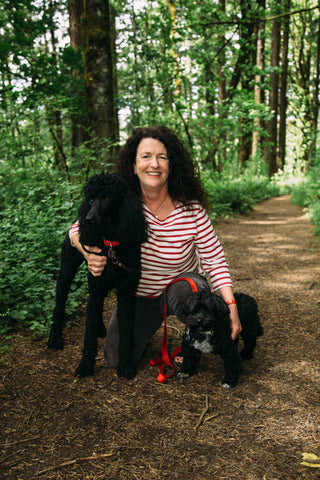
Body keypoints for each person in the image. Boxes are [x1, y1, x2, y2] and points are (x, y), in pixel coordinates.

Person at [69, 126, 242, 369]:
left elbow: (214, 259)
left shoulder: (191, 210)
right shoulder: (121, 203)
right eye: (146, 156)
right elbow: (75, 229)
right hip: (137, 297)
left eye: (162, 157)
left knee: (189, 288)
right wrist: (88, 254)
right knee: (116, 359)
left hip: (180, 291)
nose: (154, 164)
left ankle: (194, 339)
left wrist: (231, 306)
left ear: (172, 164)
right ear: (133, 164)